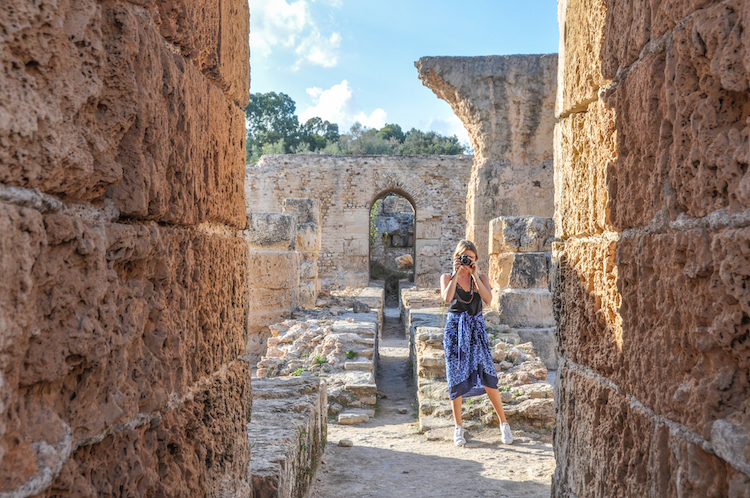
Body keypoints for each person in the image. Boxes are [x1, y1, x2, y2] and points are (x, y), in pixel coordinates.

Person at [440, 239, 513, 446]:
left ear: (476, 259)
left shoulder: (480, 277)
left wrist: (474, 274)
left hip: (476, 330)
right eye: (463, 257)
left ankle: (503, 423)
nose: (467, 260)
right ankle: (458, 428)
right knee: (455, 375)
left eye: (470, 258)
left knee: (487, 374)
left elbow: (488, 299)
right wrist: (456, 273)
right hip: (455, 330)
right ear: (456, 257)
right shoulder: (446, 276)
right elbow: (447, 298)